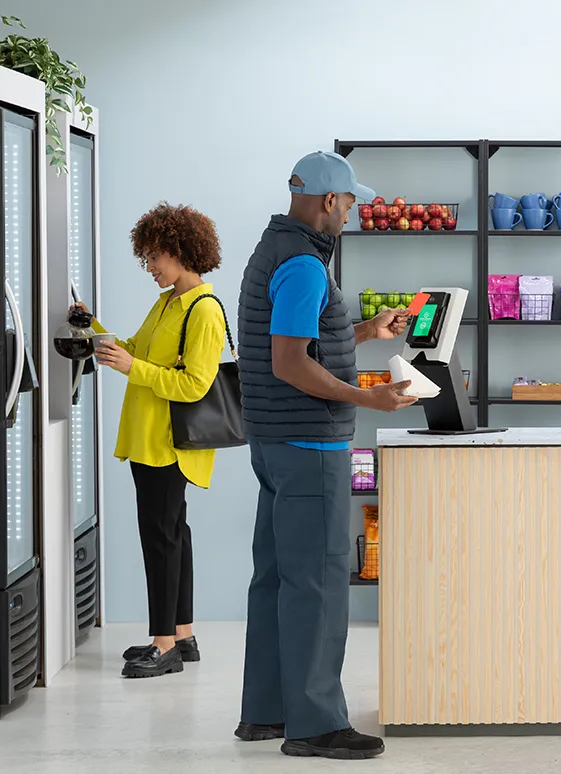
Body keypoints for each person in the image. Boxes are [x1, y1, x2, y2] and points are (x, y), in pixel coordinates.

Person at [234, 151, 418, 760]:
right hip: (310, 445)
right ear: (326, 201)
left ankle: (266, 712)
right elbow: (290, 362)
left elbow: (294, 336)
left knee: (277, 578)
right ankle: (314, 724)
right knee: (316, 581)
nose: (354, 211)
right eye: (350, 202)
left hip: (272, 441)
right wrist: (368, 395)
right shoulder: (306, 264)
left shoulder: (273, 250)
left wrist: (364, 332)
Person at [86, 202, 227, 678]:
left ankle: (162, 645)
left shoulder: (204, 310)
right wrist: (94, 330)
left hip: (168, 443)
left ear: (179, 251)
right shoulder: (169, 302)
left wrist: (134, 369)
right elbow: (137, 352)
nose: (149, 268)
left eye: (154, 258)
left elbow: (195, 385)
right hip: (149, 438)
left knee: (160, 540)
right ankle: (182, 636)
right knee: (173, 536)